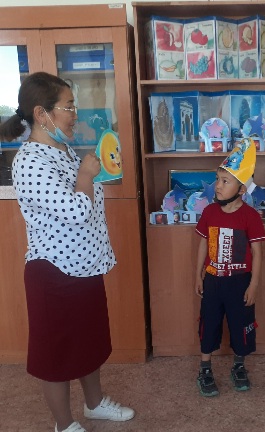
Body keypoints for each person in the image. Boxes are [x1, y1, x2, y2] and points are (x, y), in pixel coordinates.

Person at [0, 72, 134, 432]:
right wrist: (86, 175)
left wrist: (90, 170)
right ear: (41, 114)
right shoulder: (29, 161)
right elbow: (76, 210)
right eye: (69, 107)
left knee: (89, 341)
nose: (76, 114)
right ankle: (64, 424)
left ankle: (95, 404)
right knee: (56, 354)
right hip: (53, 273)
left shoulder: (64, 150)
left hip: (85, 265)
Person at [194, 138, 265, 397]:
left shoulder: (251, 217)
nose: (218, 185)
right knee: (209, 323)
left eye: (225, 181)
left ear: (242, 189)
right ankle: (205, 369)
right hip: (213, 281)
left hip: (240, 282)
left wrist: (254, 285)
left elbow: (257, 252)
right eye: (217, 179)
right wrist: (198, 274)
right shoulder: (209, 212)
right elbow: (203, 243)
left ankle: (239, 365)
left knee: (240, 324)